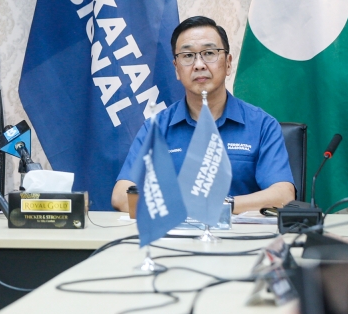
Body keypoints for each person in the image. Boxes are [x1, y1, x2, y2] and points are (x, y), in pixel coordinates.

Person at [111, 16, 295, 214]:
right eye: (188, 56)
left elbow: (283, 195)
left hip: (241, 241)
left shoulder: (262, 125)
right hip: (171, 241)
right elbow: (121, 196)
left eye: (209, 53)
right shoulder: (156, 127)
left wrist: (219, 205)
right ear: (176, 69)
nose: (199, 64)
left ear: (228, 63)